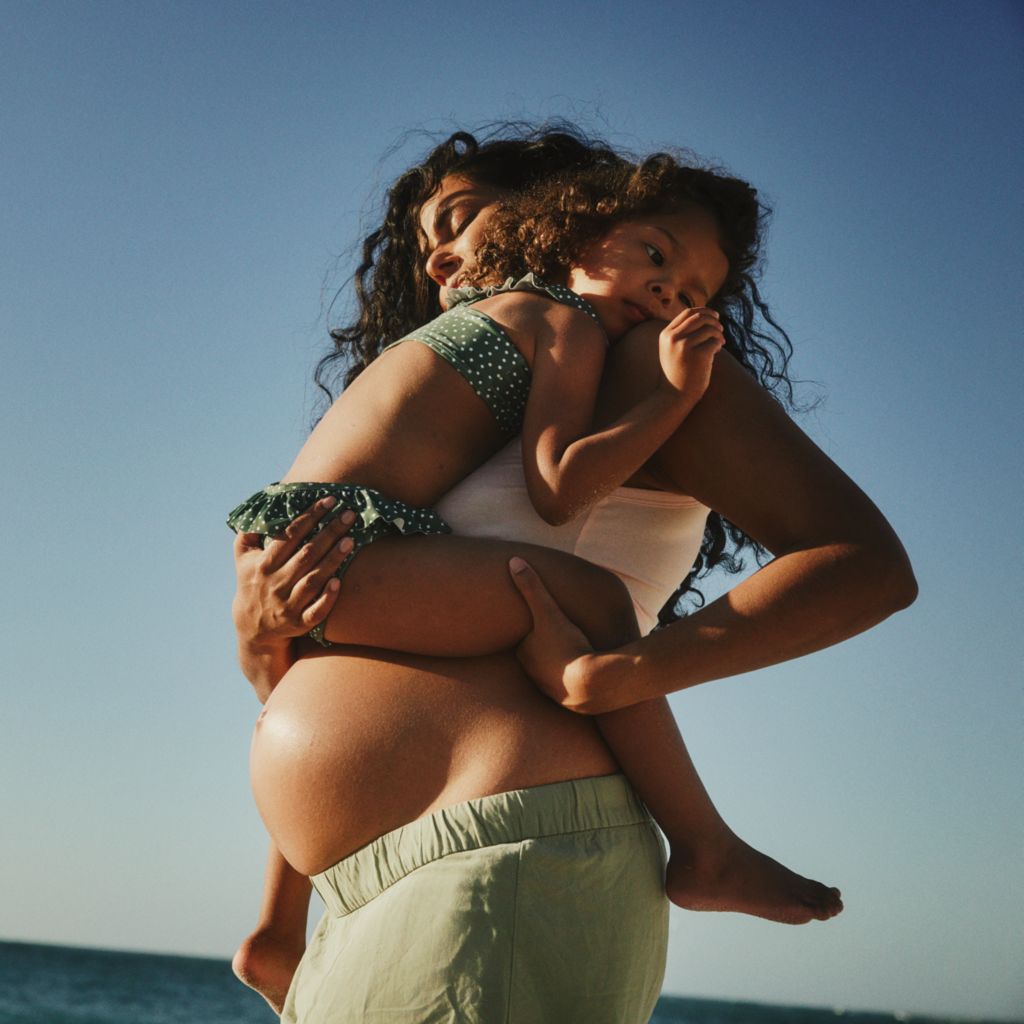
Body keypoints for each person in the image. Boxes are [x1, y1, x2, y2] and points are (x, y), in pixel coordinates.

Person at [230, 127, 917, 1021]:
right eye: (423, 239)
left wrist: (624, 671)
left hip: (503, 860)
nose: (438, 253)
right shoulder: (471, 393)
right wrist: (262, 642)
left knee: (578, 599)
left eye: (464, 215)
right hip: (353, 900)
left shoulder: (630, 358)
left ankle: (705, 847)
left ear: (568, 212)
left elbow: (866, 566)